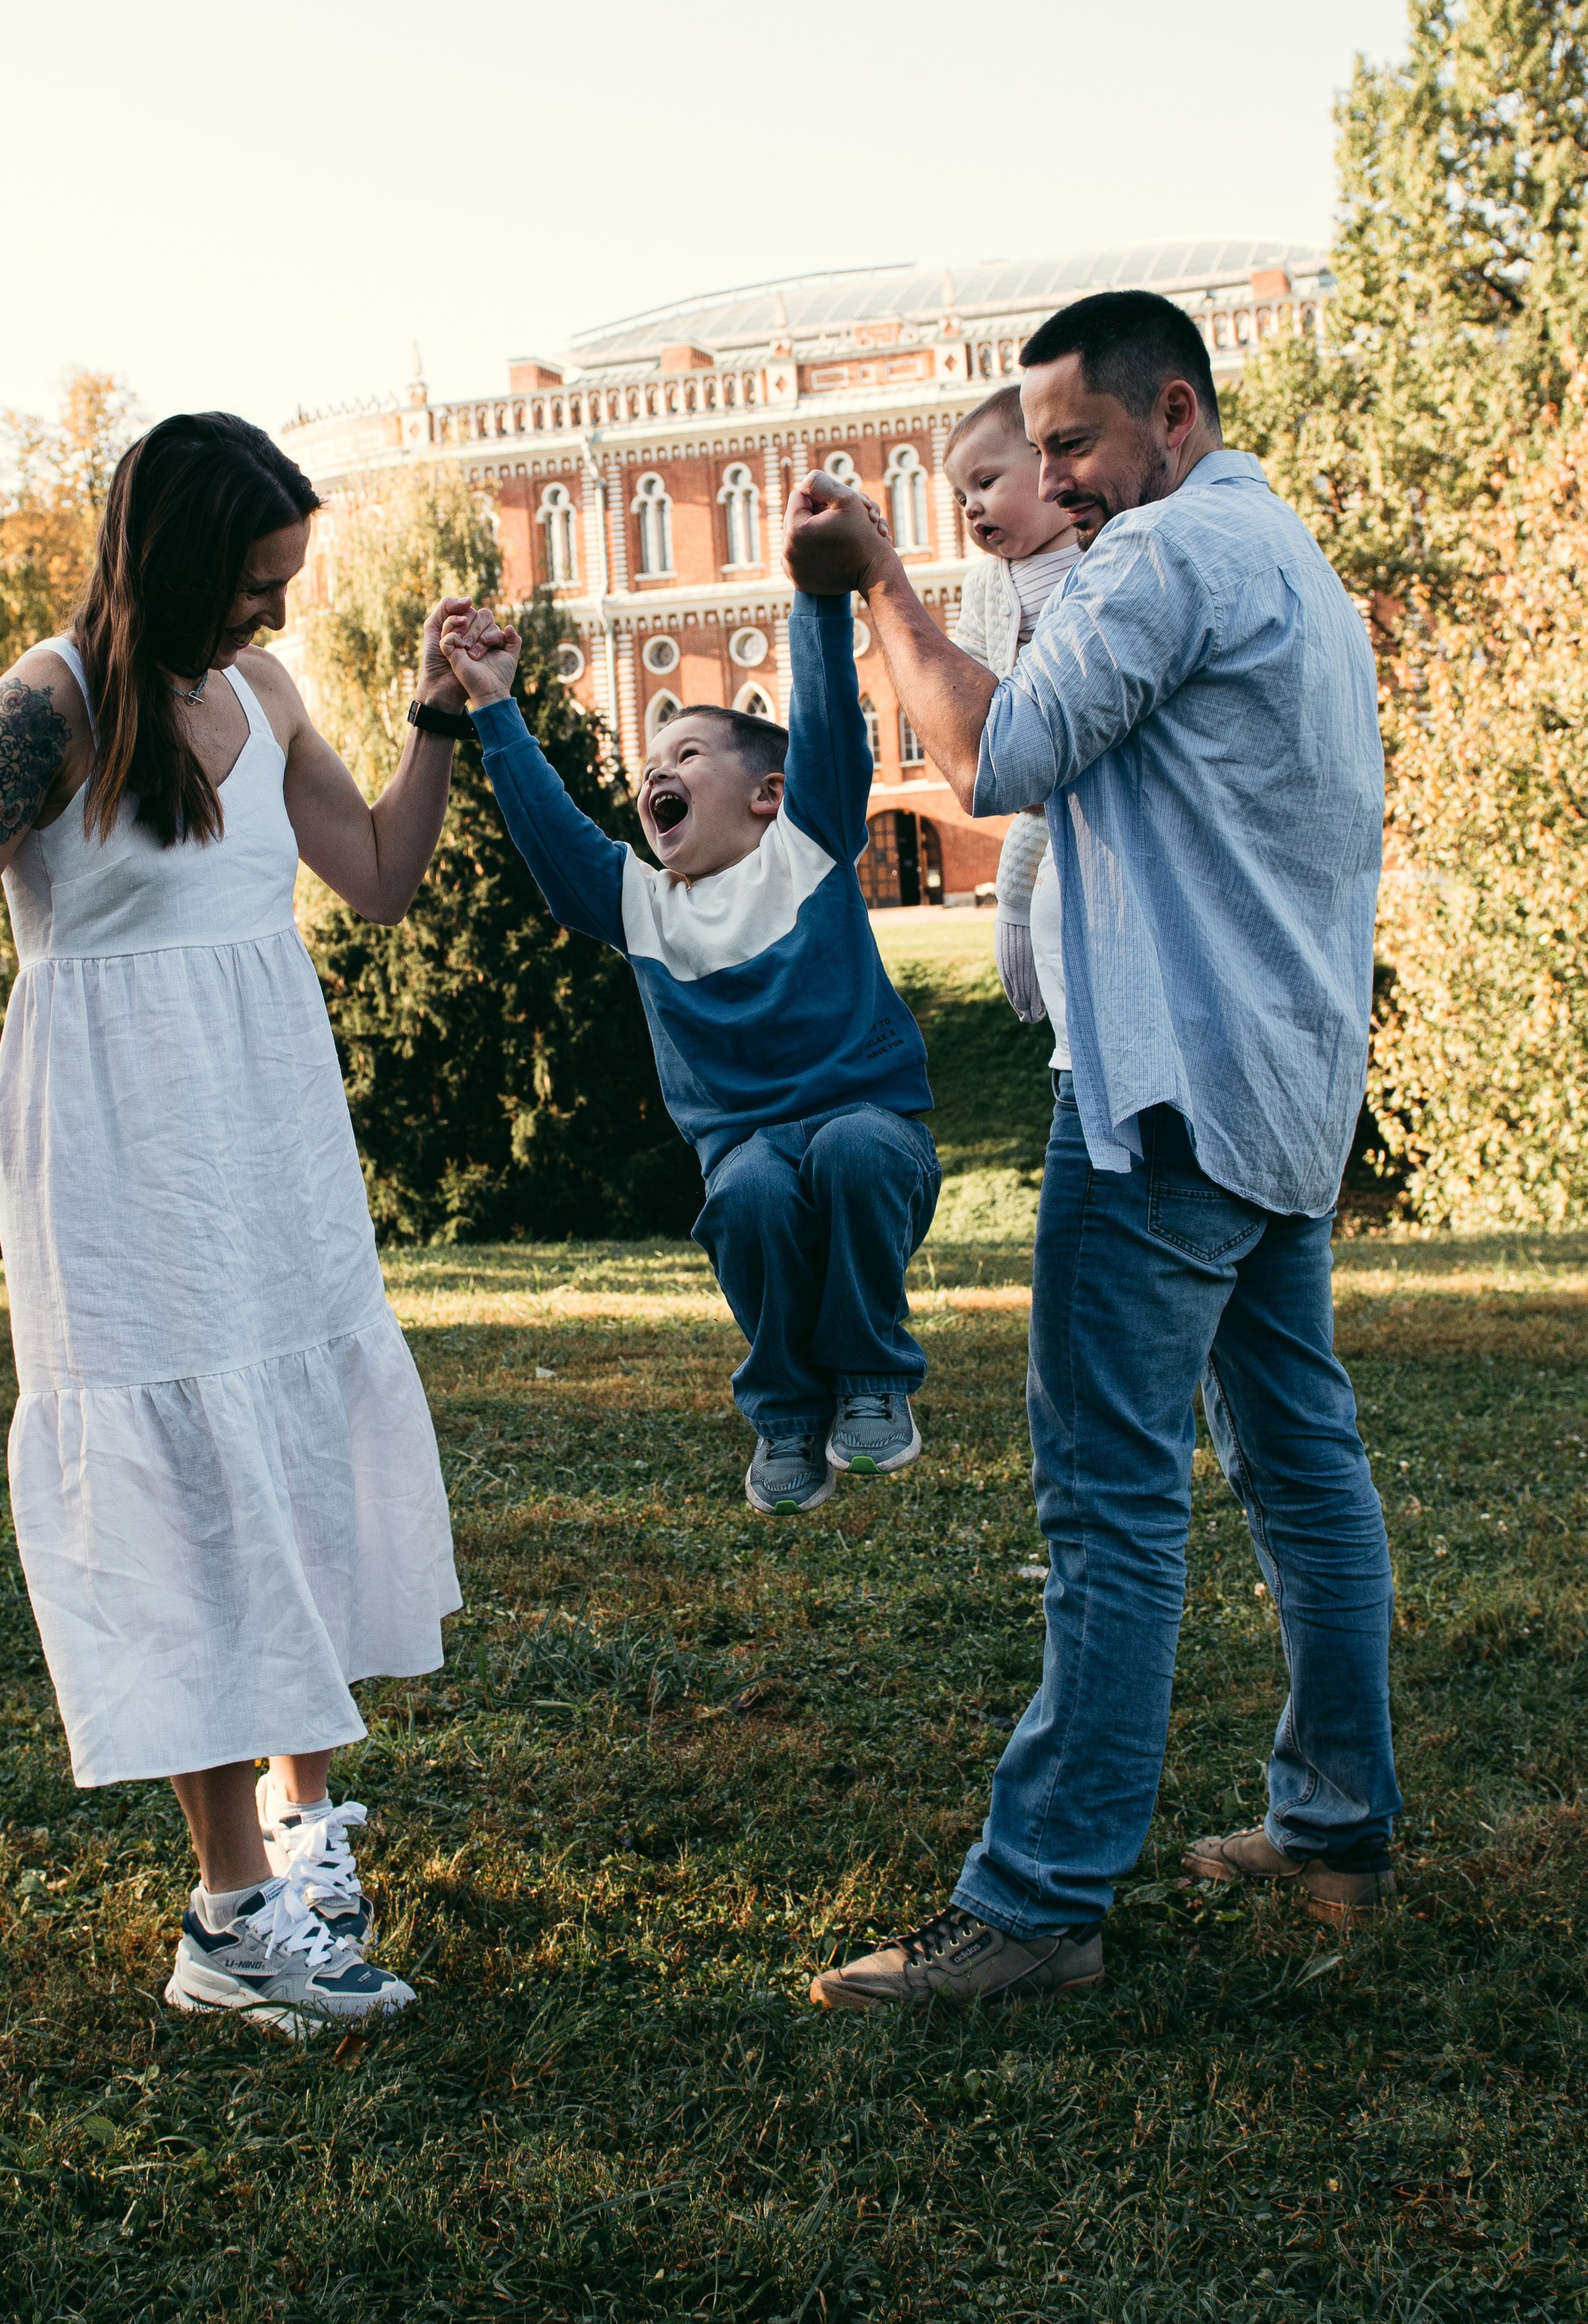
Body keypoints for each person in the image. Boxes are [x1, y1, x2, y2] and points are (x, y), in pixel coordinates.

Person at [0, 412, 509, 2036]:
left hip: (266, 1121)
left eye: (287, 586)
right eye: (255, 584)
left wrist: (433, 721)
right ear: (176, 562)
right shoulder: (46, 705)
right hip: (116, 1145)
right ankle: (228, 1922)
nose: (274, 616)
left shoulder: (263, 693)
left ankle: (305, 1836)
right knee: (184, 1486)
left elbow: (384, 877)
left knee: (301, 1451)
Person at [782, 289, 1399, 2014]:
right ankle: (1332, 1819)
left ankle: (1037, 1898)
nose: (1050, 479)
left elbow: (990, 757)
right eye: (1036, 448)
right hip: (1273, 1087)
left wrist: (877, 587)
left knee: (1107, 1505)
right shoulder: (1282, 556)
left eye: (1070, 442)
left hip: (1157, 1102)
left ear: (1170, 417)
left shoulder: (1162, 560)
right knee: (1296, 1457)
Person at [439, 587, 940, 1517]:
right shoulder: (642, 906)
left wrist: (819, 591)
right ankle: (788, 1417)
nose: (654, 772)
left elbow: (829, 716)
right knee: (747, 1194)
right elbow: (553, 832)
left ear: (767, 795)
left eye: (686, 753)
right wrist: (492, 705)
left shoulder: (811, 844)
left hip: (872, 1130)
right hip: (748, 1151)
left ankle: (872, 1381)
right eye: (649, 764)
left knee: (852, 1150)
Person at [941, 387, 1080, 1025]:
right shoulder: (985, 583)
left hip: (1077, 748)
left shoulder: (1096, 549)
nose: (972, 508)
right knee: (1022, 862)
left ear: (1045, 464)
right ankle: (1022, 957)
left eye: (987, 482)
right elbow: (965, 658)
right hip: (1024, 763)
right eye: (961, 497)